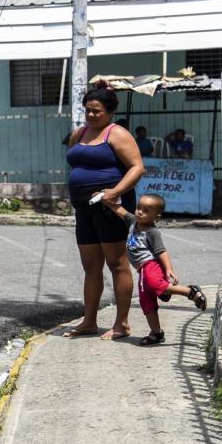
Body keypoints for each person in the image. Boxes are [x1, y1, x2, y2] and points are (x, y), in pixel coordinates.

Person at [64, 80, 144, 340]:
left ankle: (122, 324)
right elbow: (75, 159)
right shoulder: (80, 133)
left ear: (110, 113)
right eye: (88, 109)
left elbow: (136, 167)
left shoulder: (117, 133)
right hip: (84, 210)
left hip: (112, 207)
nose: (90, 115)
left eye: (96, 111)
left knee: (117, 264)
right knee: (90, 266)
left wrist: (114, 192)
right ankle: (89, 321)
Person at [104, 193, 207, 345]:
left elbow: (161, 251)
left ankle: (190, 292)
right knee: (146, 302)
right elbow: (121, 210)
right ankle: (156, 333)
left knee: (155, 284)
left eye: (146, 211)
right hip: (141, 271)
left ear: (156, 217)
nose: (140, 212)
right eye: (139, 207)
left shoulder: (152, 232)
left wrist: (169, 269)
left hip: (150, 265)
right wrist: (107, 201)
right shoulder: (133, 221)